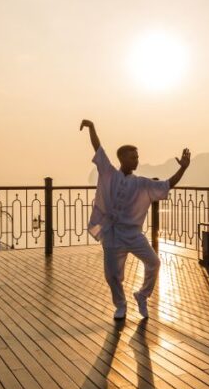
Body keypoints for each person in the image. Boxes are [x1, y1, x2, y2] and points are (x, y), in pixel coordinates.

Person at [80, 119, 190, 320]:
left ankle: (142, 295)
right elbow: (98, 149)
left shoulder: (141, 184)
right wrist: (92, 127)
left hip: (134, 235)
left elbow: (167, 184)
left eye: (137, 157)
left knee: (154, 262)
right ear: (122, 158)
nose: (136, 160)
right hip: (112, 234)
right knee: (112, 275)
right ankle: (120, 305)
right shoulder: (109, 173)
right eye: (133, 157)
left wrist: (183, 168)